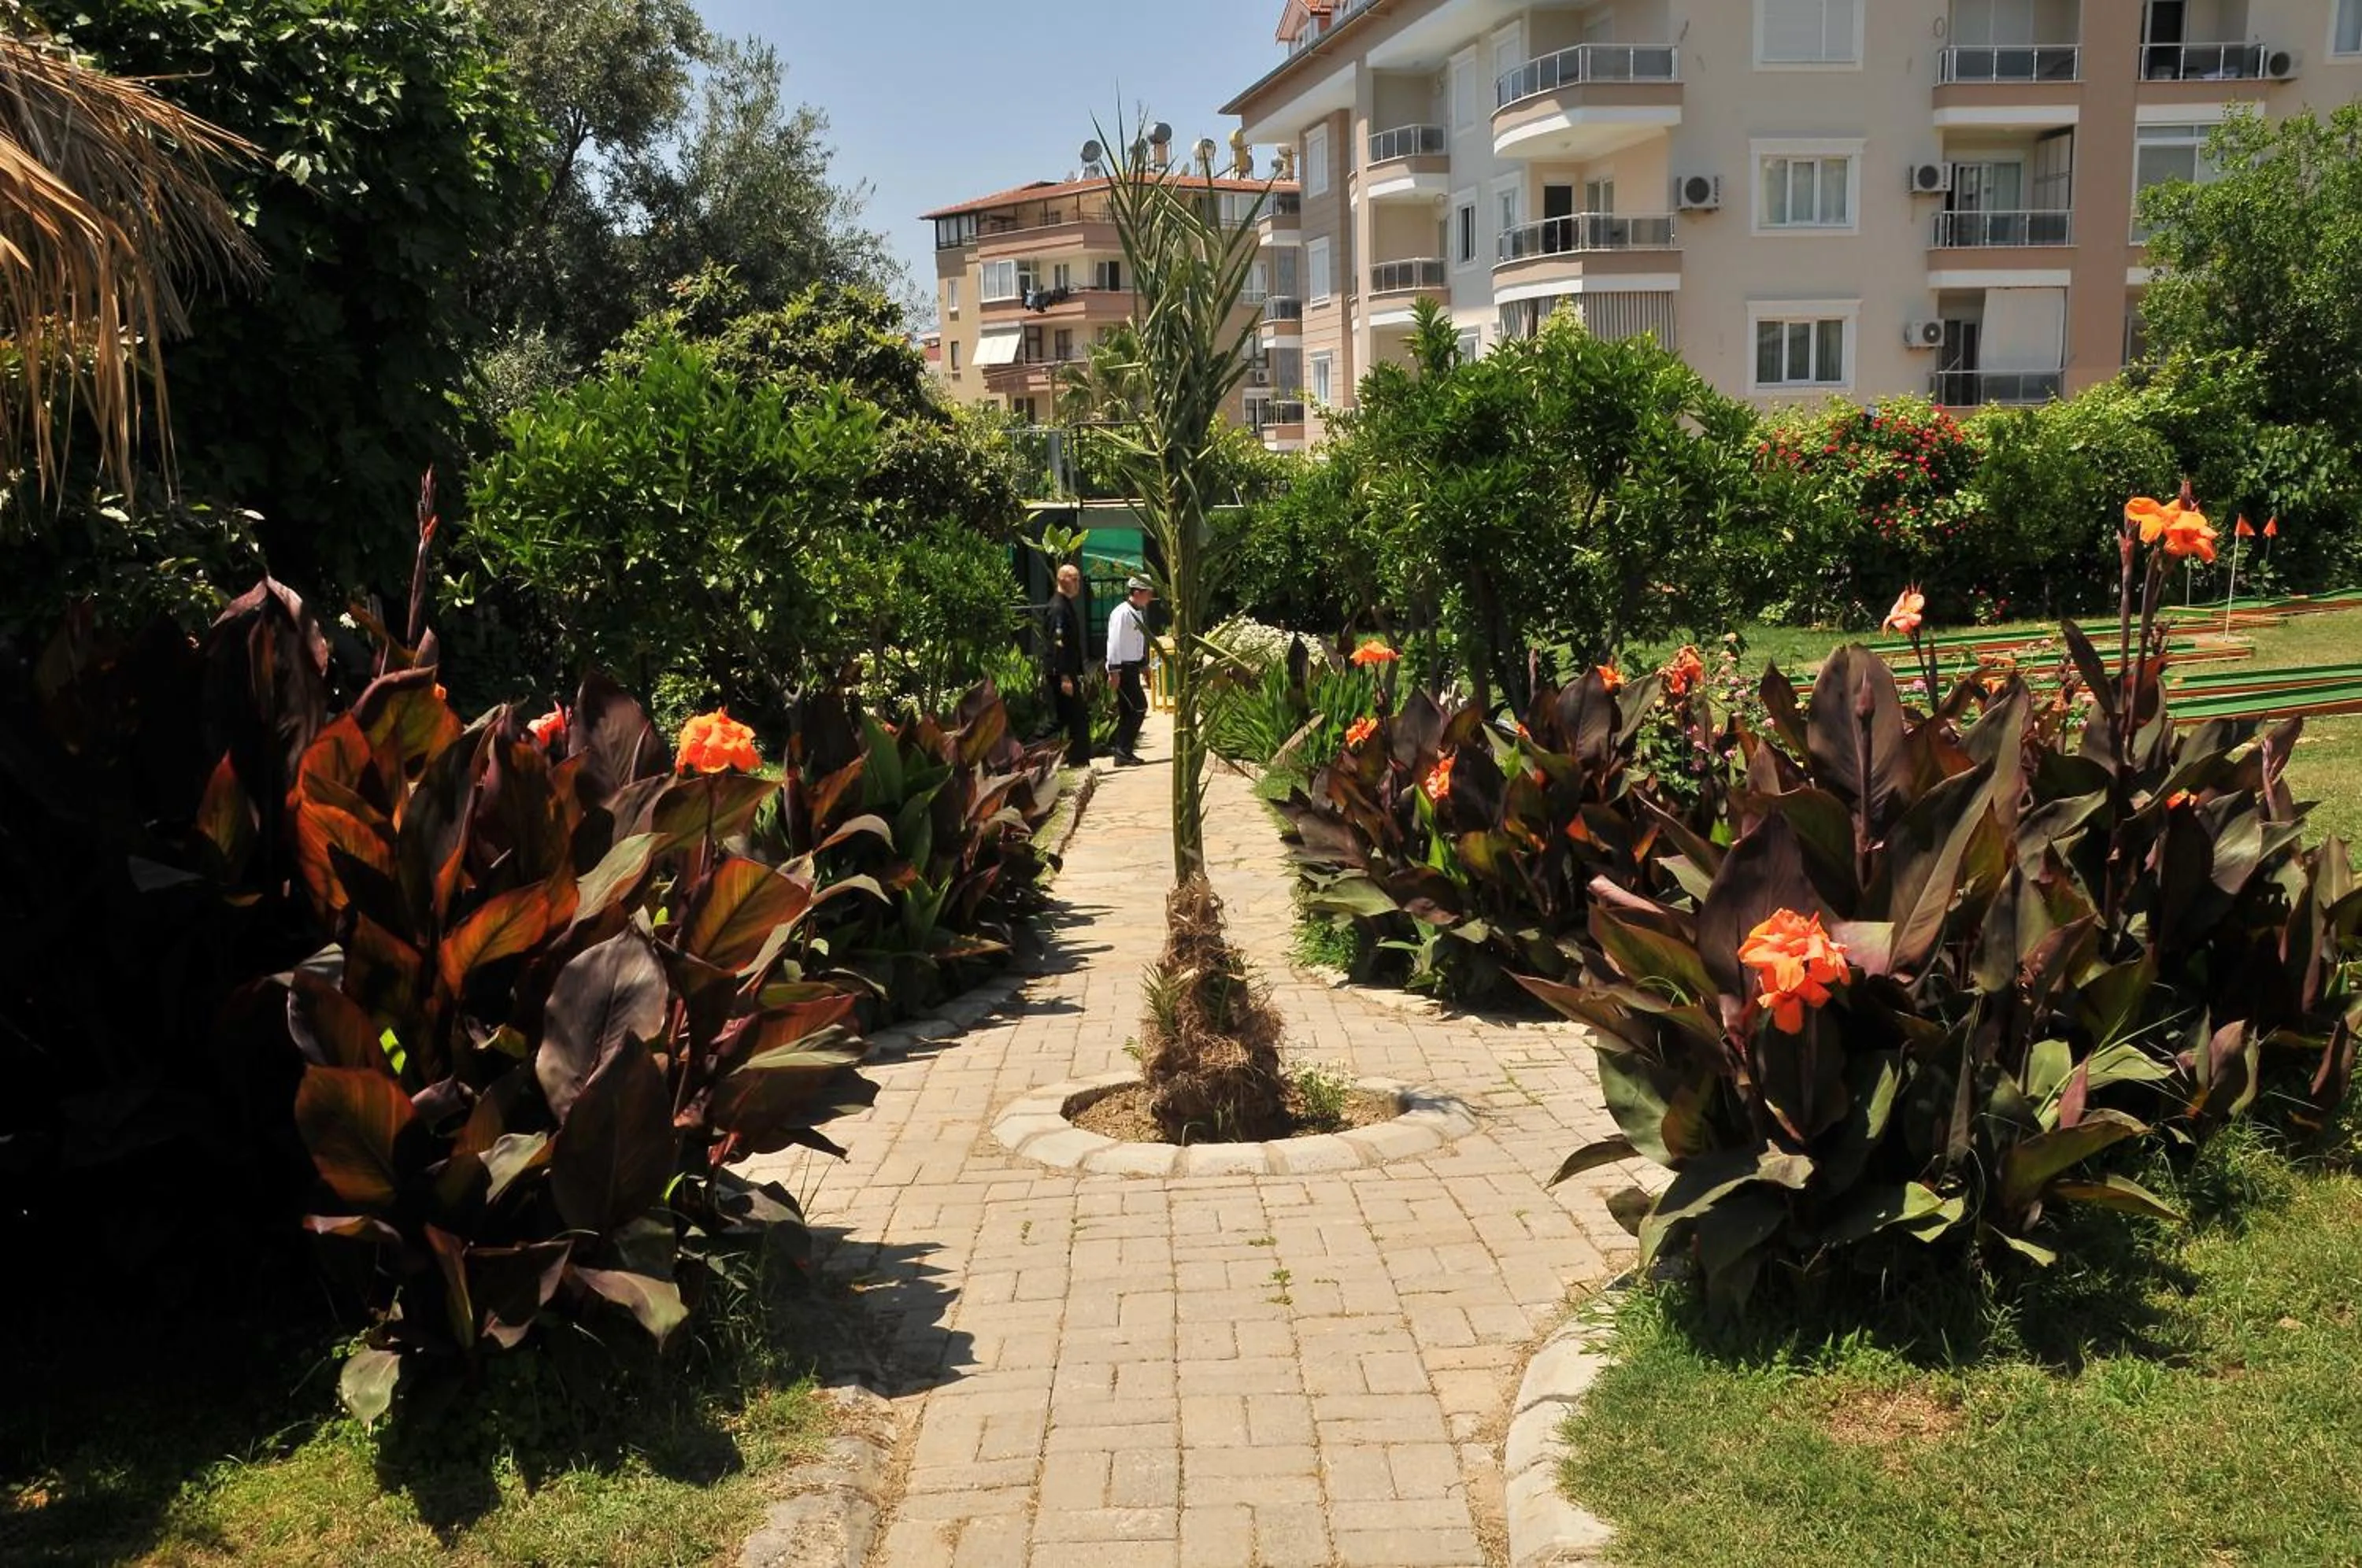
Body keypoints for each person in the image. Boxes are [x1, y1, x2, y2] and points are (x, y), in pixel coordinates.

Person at [1046, 563, 1092, 767]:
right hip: (1061, 674)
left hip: (1067, 671)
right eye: (1075, 579)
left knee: (1073, 716)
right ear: (1063, 579)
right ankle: (1029, 747)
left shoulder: (1064, 604)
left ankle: (1079, 759)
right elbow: (1058, 643)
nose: (1078, 584)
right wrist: (1064, 676)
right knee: (1064, 717)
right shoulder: (1058, 607)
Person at [1105, 574, 1153, 765]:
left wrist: (1144, 665)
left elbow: (1136, 642)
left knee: (1129, 711)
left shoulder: (1137, 612)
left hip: (1132, 666)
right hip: (1123, 668)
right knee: (1139, 708)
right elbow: (1114, 643)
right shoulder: (1121, 613)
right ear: (1136, 592)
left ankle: (1123, 752)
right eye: (1147, 593)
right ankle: (1122, 750)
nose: (1150, 597)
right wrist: (1114, 671)